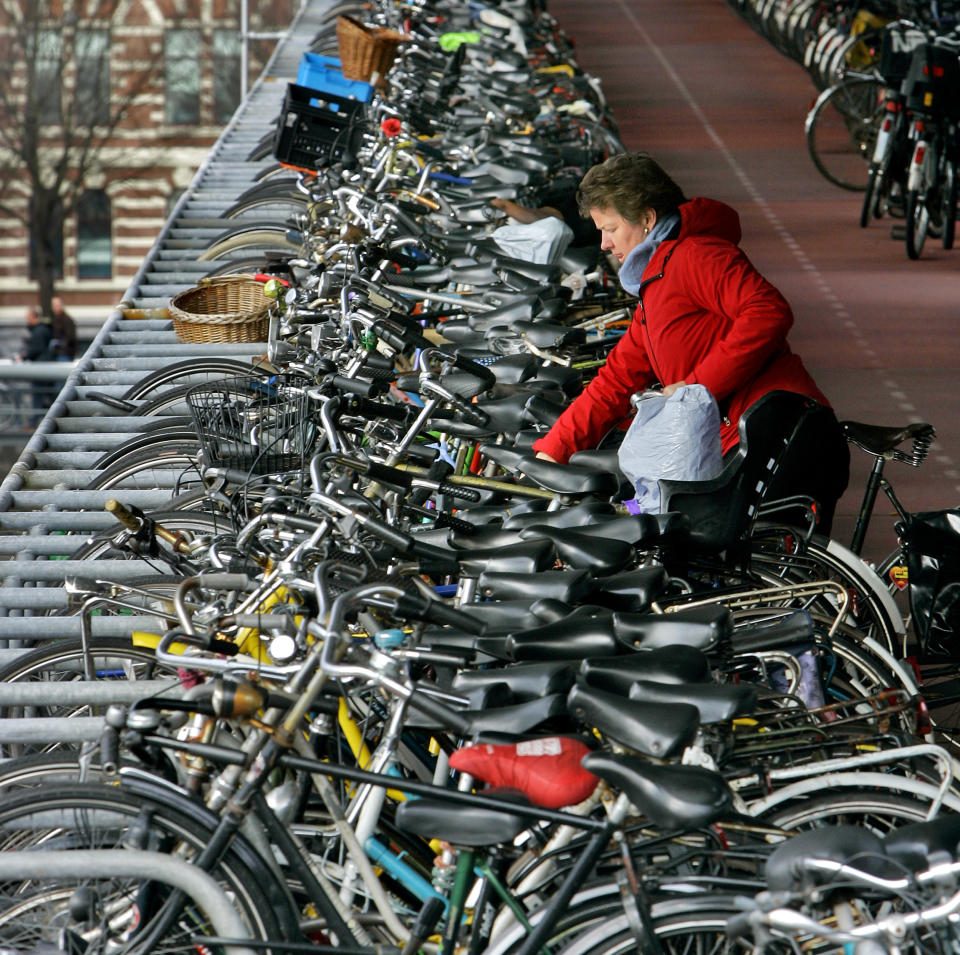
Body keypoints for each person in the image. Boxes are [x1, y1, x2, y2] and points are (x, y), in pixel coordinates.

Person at [531, 151, 849, 533]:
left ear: (647, 219)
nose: (603, 244)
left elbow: (768, 310)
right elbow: (615, 381)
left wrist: (698, 387)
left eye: (611, 229)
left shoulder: (695, 255)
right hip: (752, 434)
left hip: (780, 432)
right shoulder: (657, 285)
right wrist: (552, 451)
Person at [17, 306, 56, 412]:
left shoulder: (39, 331)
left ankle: (34, 420)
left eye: (28, 317)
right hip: (47, 364)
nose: (27, 320)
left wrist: (23, 356)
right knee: (50, 393)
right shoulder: (44, 328)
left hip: (41, 366)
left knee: (38, 394)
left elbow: (36, 348)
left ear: (33, 317)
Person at [49, 296, 77, 360]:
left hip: (65, 353)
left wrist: (59, 344)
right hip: (58, 353)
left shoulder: (67, 320)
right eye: (53, 305)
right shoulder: (55, 319)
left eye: (57, 305)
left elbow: (70, 337)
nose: (55, 307)